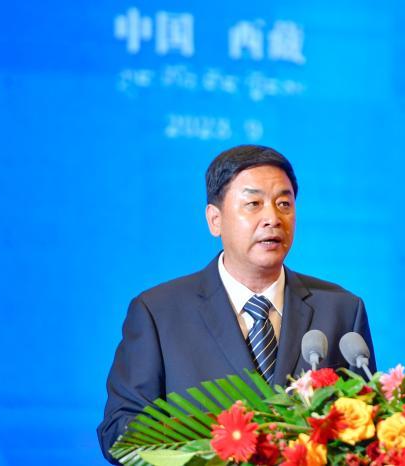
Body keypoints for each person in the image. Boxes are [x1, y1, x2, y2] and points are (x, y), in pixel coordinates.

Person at [97, 145, 375, 463]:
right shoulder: (158, 314)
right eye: (253, 204)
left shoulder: (341, 310)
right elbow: (119, 432)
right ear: (215, 220)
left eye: (284, 204)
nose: (272, 218)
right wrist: (206, 448)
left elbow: (367, 430)